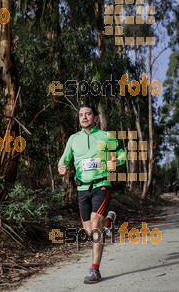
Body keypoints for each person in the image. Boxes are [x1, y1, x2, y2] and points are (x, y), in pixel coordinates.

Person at [58, 104, 126, 284]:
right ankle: (109, 221)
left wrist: (117, 161)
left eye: (88, 114)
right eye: (81, 114)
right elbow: (64, 159)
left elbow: (122, 153)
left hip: (101, 185)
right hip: (82, 189)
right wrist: (62, 167)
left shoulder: (105, 136)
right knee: (90, 231)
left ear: (95, 117)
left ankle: (94, 270)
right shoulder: (73, 139)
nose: (84, 117)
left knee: (96, 224)